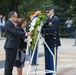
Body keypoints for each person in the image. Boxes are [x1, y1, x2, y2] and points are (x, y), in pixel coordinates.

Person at [4, 11, 31, 75]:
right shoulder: (8, 24)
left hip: (13, 46)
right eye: (16, 17)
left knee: (11, 63)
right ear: (11, 17)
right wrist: (26, 34)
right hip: (10, 46)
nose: (17, 19)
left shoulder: (12, 24)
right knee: (9, 63)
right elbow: (15, 32)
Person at [41, 4, 61, 75]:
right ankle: (47, 73)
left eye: (47, 11)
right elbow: (42, 28)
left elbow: (53, 29)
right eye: (46, 11)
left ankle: (52, 73)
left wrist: (43, 29)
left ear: (52, 11)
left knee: (52, 58)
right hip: (46, 41)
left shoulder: (56, 19)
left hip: (53, 42)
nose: (46, 13)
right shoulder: (46, 20)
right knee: (47, 58)